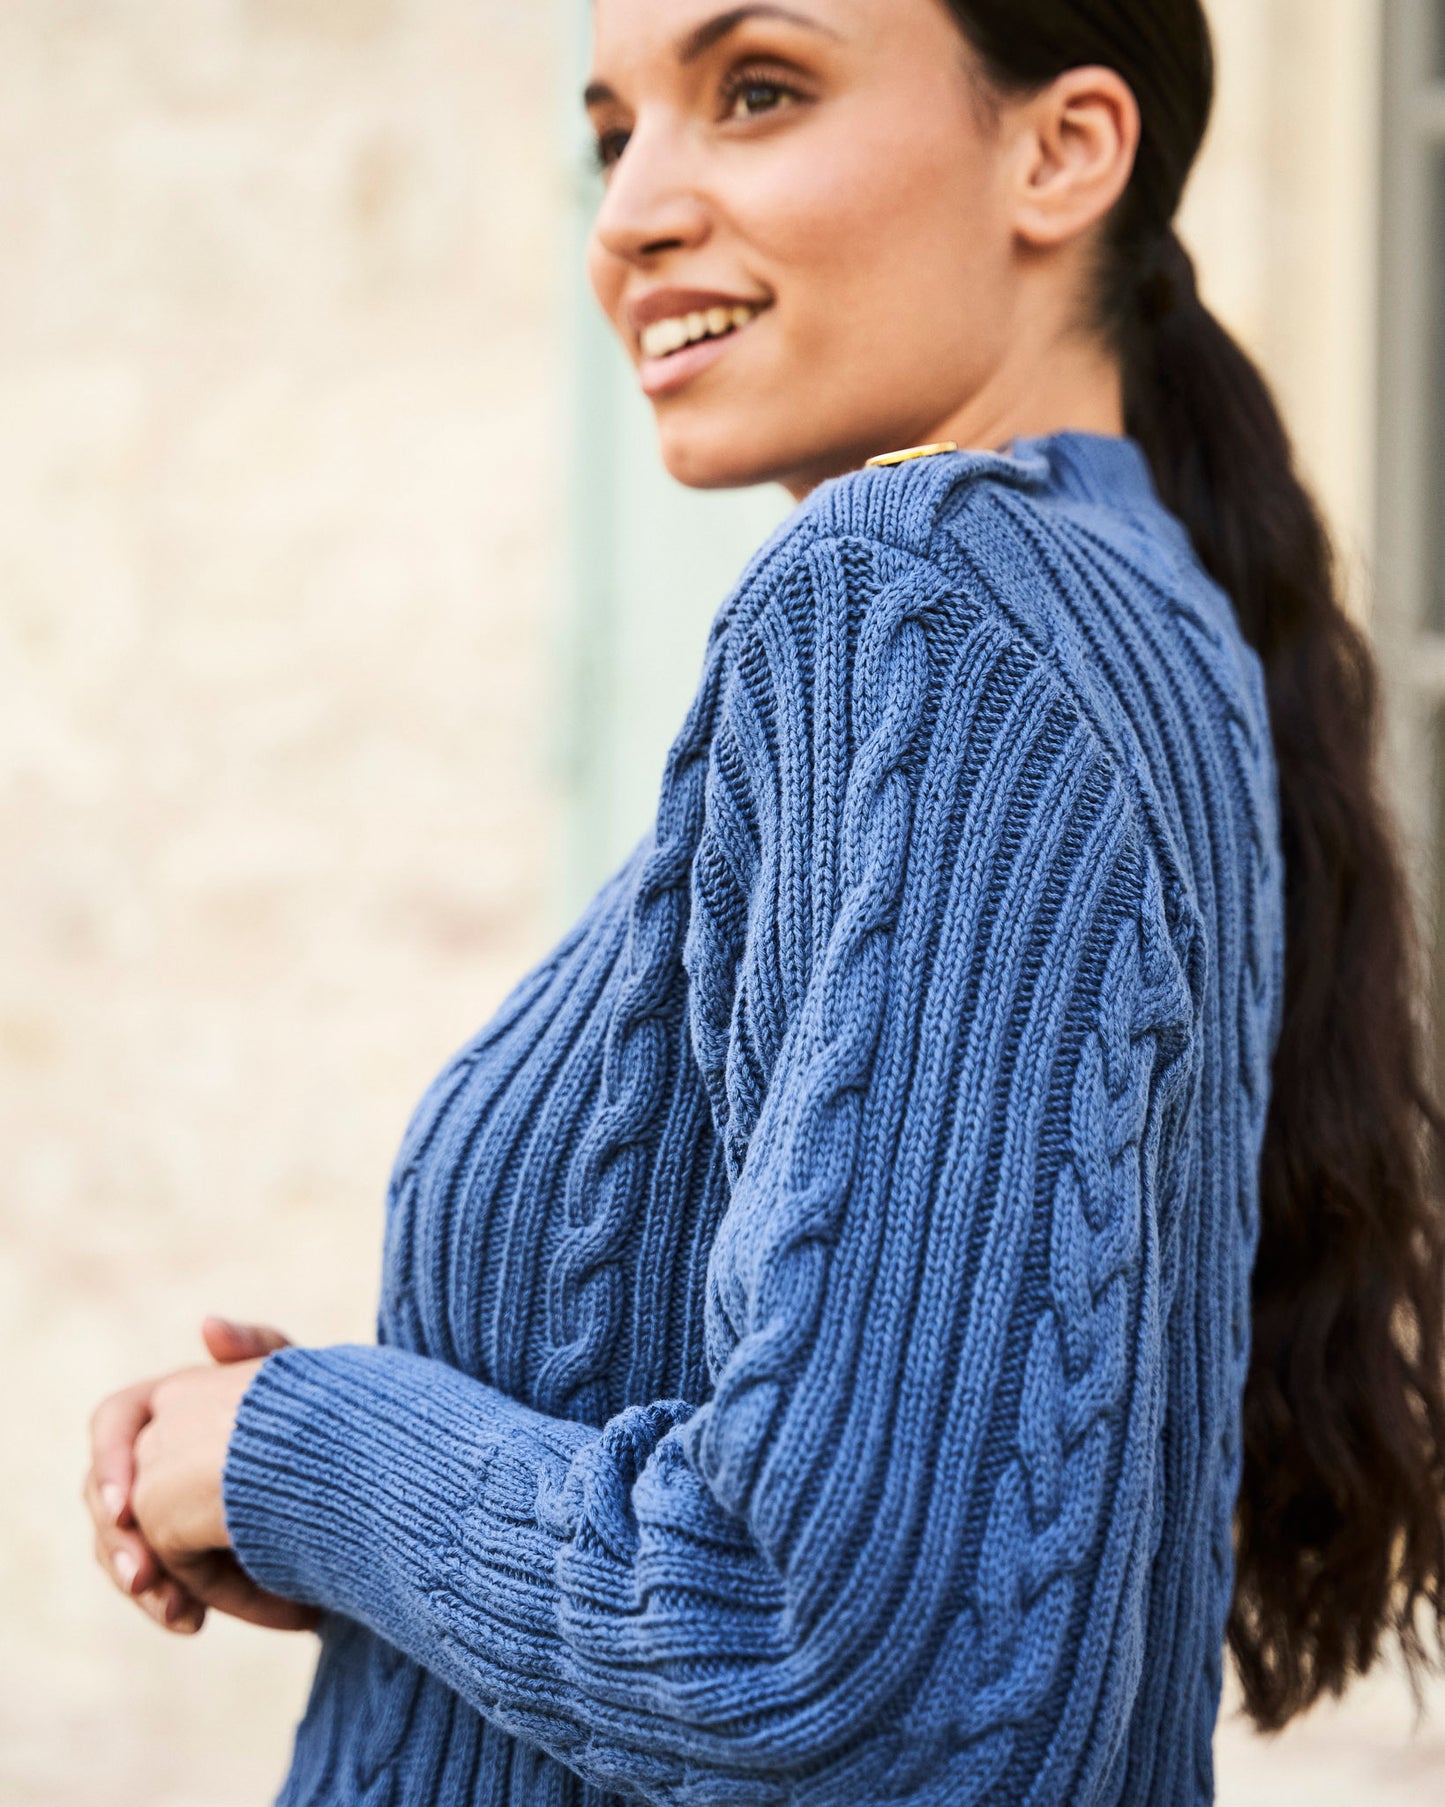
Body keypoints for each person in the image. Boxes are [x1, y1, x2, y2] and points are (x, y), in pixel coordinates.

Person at [83, 2, 1445, 1802]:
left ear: (1062, 151)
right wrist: (399, 1511)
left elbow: (829, 1665)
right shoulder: (1149, 610)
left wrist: (301, 1455)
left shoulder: (922, 599)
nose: (632, 211)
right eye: (609, 133)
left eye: (755, 92)